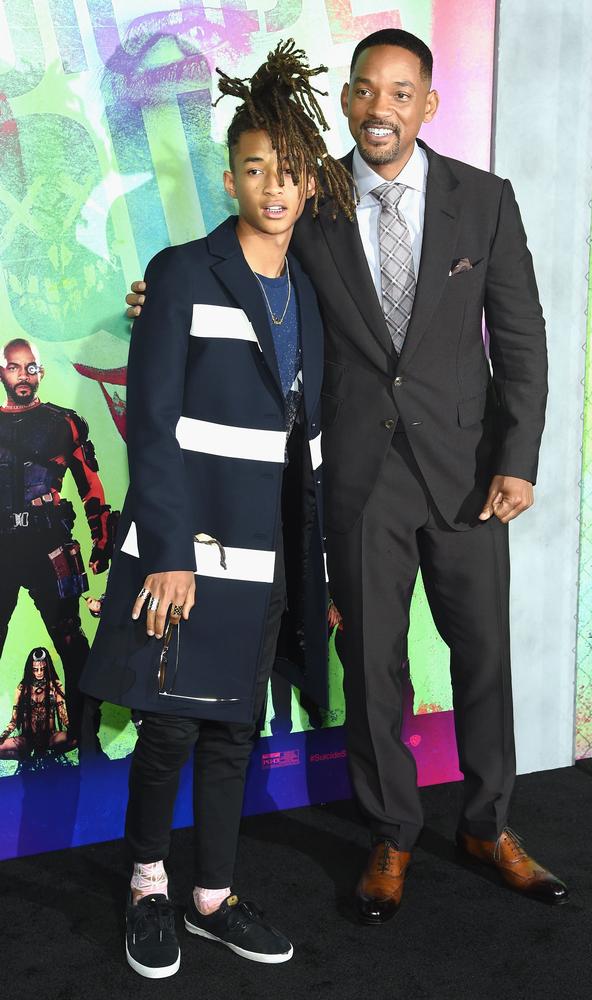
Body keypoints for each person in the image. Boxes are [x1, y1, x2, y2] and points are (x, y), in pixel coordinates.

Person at [127, 29, 568, 923]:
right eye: (365, 90)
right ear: (348, 99)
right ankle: (392, 834)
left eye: (401, 93)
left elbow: (519, 338)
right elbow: (246, 263)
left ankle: (488, 823)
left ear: (427, 105)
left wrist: (518, 459)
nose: (380, 108)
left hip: (470, 477)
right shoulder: (313, 194)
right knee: (373, 670)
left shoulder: (483, 202)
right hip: (359, 478)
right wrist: (159, 293)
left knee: (483, 658)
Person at [82, 41, 356, 979]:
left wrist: (312, 568)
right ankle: (149, 888)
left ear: (311, 180)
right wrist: (166, 551)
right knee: (170, 725)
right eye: (253, 171)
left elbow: (302, 441)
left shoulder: (312, 295)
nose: (273, 189)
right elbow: (151, 425)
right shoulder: (182, 273)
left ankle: (212, 896)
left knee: (238, 726)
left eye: (288, 173)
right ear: (231, 177)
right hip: (190, 551)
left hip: (273, 555)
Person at [0, 339, 116, 747]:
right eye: (14, 368)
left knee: (70, 637)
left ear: (41, 372)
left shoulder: (63, 422)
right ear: (2, 372)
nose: (23, 376)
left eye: (30, 368)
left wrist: (102, 541)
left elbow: (91, 484)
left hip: (48, 544)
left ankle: (85, 735)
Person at [0, 647, 74, 759]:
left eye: (42, 669)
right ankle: (26, 758)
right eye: (35, 669)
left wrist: (73, 729)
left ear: (47, 668)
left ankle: (52, 754)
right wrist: (3, 737)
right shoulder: (21, 688)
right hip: (27, 739)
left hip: (51, 737)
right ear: (30, 669)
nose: (39, 672)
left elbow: (63, 715)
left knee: (78, 738)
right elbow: (14, 720)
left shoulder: (55, 685)